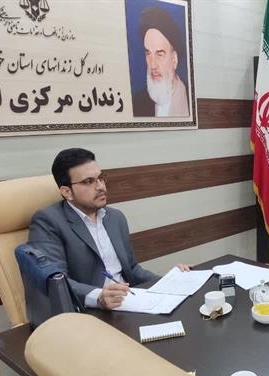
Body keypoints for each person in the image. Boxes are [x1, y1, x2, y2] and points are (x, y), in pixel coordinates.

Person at [29, 148, 192, 310]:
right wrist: (98, 297)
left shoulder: (115, 217)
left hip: (129, 302)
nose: (100, 186)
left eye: (100, 178)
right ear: (67, 192)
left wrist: (168, 282)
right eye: (89, 181)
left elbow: (132, 269)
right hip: (89, 312)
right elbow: (56, 283)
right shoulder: (48, 222)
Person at [132, 6, 190, 117]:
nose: (153, 65)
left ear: (174, 59)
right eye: (148, 53)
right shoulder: (138, 102)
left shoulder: (188, 97)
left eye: (159, 54)